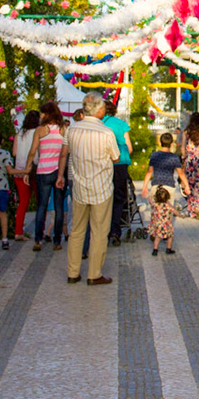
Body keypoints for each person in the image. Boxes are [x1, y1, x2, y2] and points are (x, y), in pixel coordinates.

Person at [59, 92, 119, 284]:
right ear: (100, 110)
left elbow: (65, 153)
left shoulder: (72, 131)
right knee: (99, 231)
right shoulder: (106, 133)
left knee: (77, 230)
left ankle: (73, 272)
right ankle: (94, 274)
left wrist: (62, 175)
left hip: (79, 187)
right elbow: (116, 157)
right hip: (101, 187)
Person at [27, 103, 66, 251]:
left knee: (41, 207)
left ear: (47, 114)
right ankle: (57, 240)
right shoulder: (63, 130)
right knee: (59, 207)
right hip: (58, 171)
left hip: (43, 171)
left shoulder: (40, 130)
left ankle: (38, 239)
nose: (40, 116)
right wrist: (61, 174)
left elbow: (32, 151)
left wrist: (27, 168)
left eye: (42, 113)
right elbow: (64, 154)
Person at [102, 96, 134, 245]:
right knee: (119, 197)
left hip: (103, 165)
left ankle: (103, 230)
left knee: (104, 198)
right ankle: (116, 229)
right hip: (120, 164)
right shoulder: (121, 124)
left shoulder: (99, 124)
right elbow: (130, 147)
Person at [11, 110, 39, 233]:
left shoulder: (19, 133)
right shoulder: (38, 133)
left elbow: (14, 153)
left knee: (22, 203)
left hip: (19, 170)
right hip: (34, 170)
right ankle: (40, 231)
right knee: (40, 202)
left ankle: (18, 231)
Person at [181, 112, 199, 220]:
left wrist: (185, 157)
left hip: (190, 160)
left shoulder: (186, 132)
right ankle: (198, 208)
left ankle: (191, 209)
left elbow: (183, 148)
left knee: (190, 184)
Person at [147, 184, 178, 255]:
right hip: (166, 225)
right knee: (170, 236)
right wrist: (181, 215)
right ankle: (168, 249)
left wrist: (149, 197)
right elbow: (174, 211)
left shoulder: (155, 204)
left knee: (157, 237)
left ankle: (155, 250)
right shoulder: (167, 205)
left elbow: (150, 201)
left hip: (157, 224)